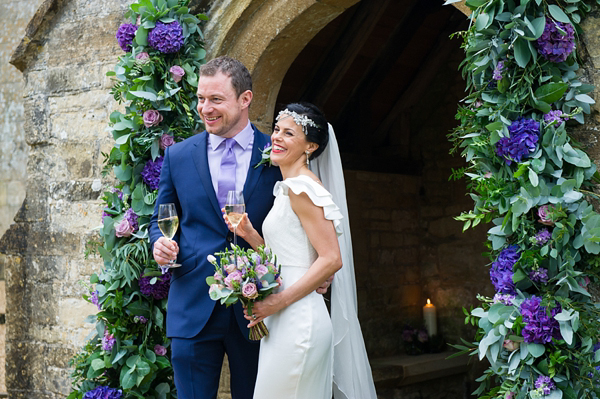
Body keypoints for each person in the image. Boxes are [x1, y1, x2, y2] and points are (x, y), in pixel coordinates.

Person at [148, 56, 284, 399]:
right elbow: (160, 220)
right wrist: (159, 245)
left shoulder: (277, 155)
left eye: (216, 100)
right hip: (193, 303)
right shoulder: (178, 156)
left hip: (258, 308)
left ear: (245, 99)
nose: (204, 109)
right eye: (200, 99)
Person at [224, 102, 377, 399]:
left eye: (289, 133)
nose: (277, 138)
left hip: (298, 321)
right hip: (283, 320)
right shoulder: (288, 187)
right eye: (277, 130)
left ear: (311, 146)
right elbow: (291, 258)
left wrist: (276, 302)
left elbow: (331, 258)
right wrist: (250, 234)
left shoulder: (302, 189)